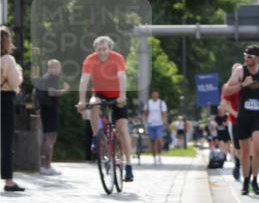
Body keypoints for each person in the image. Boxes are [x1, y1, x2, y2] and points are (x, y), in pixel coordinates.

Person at [76, 36, 135, 182]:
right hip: (100, 93)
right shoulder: (90, 59)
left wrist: (122, 95)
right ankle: (96, 136)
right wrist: (82, 100)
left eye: (104, 49)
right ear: (95, 50)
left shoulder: (117, 58)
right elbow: (84, 80)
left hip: (117, 95)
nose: (102, 52)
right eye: (99, 49)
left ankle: (129, 166)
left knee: (122, 129)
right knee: (93, 104)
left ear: (110, 48)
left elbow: (122, 77)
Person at [221, 46, 259, 196]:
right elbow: (226, 91)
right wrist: (242, 85)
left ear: (257, 58)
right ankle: (245, 181)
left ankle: (255, 181)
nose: (246, 58)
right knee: (245, 152)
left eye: (250, 56)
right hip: (244, 116)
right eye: (245, 55)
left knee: (257, 149)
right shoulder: (240, 71)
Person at [35, 59, 68, 176]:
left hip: (45, 110)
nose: (60, 70)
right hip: (50, 111)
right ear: (53, 68)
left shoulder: (44, 78)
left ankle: (43, 165)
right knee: (51, 138)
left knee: (45, 138)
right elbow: (52, 92)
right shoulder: (51, 78)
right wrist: (64, 90)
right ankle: (47, 166)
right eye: (58, 67)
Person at [1, 27, 24, 192]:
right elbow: (15, 82)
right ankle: (9, 181)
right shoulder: (8, 59)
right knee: (6, 141)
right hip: (4, 99)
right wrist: (19, 73)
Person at [144, 89, 168, 164]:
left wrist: (165, 124)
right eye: (153, 94)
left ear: (158, 95)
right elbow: (145, 113)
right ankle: (154, 158)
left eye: (156, 94)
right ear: (151, 95)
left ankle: (159, 155)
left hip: (159, 124)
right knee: (152, 141)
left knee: (159, 139)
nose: (154, 95)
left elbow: (164, 114)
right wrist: (145, 123)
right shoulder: (148, 103)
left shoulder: (161, 103)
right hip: (150, 124)